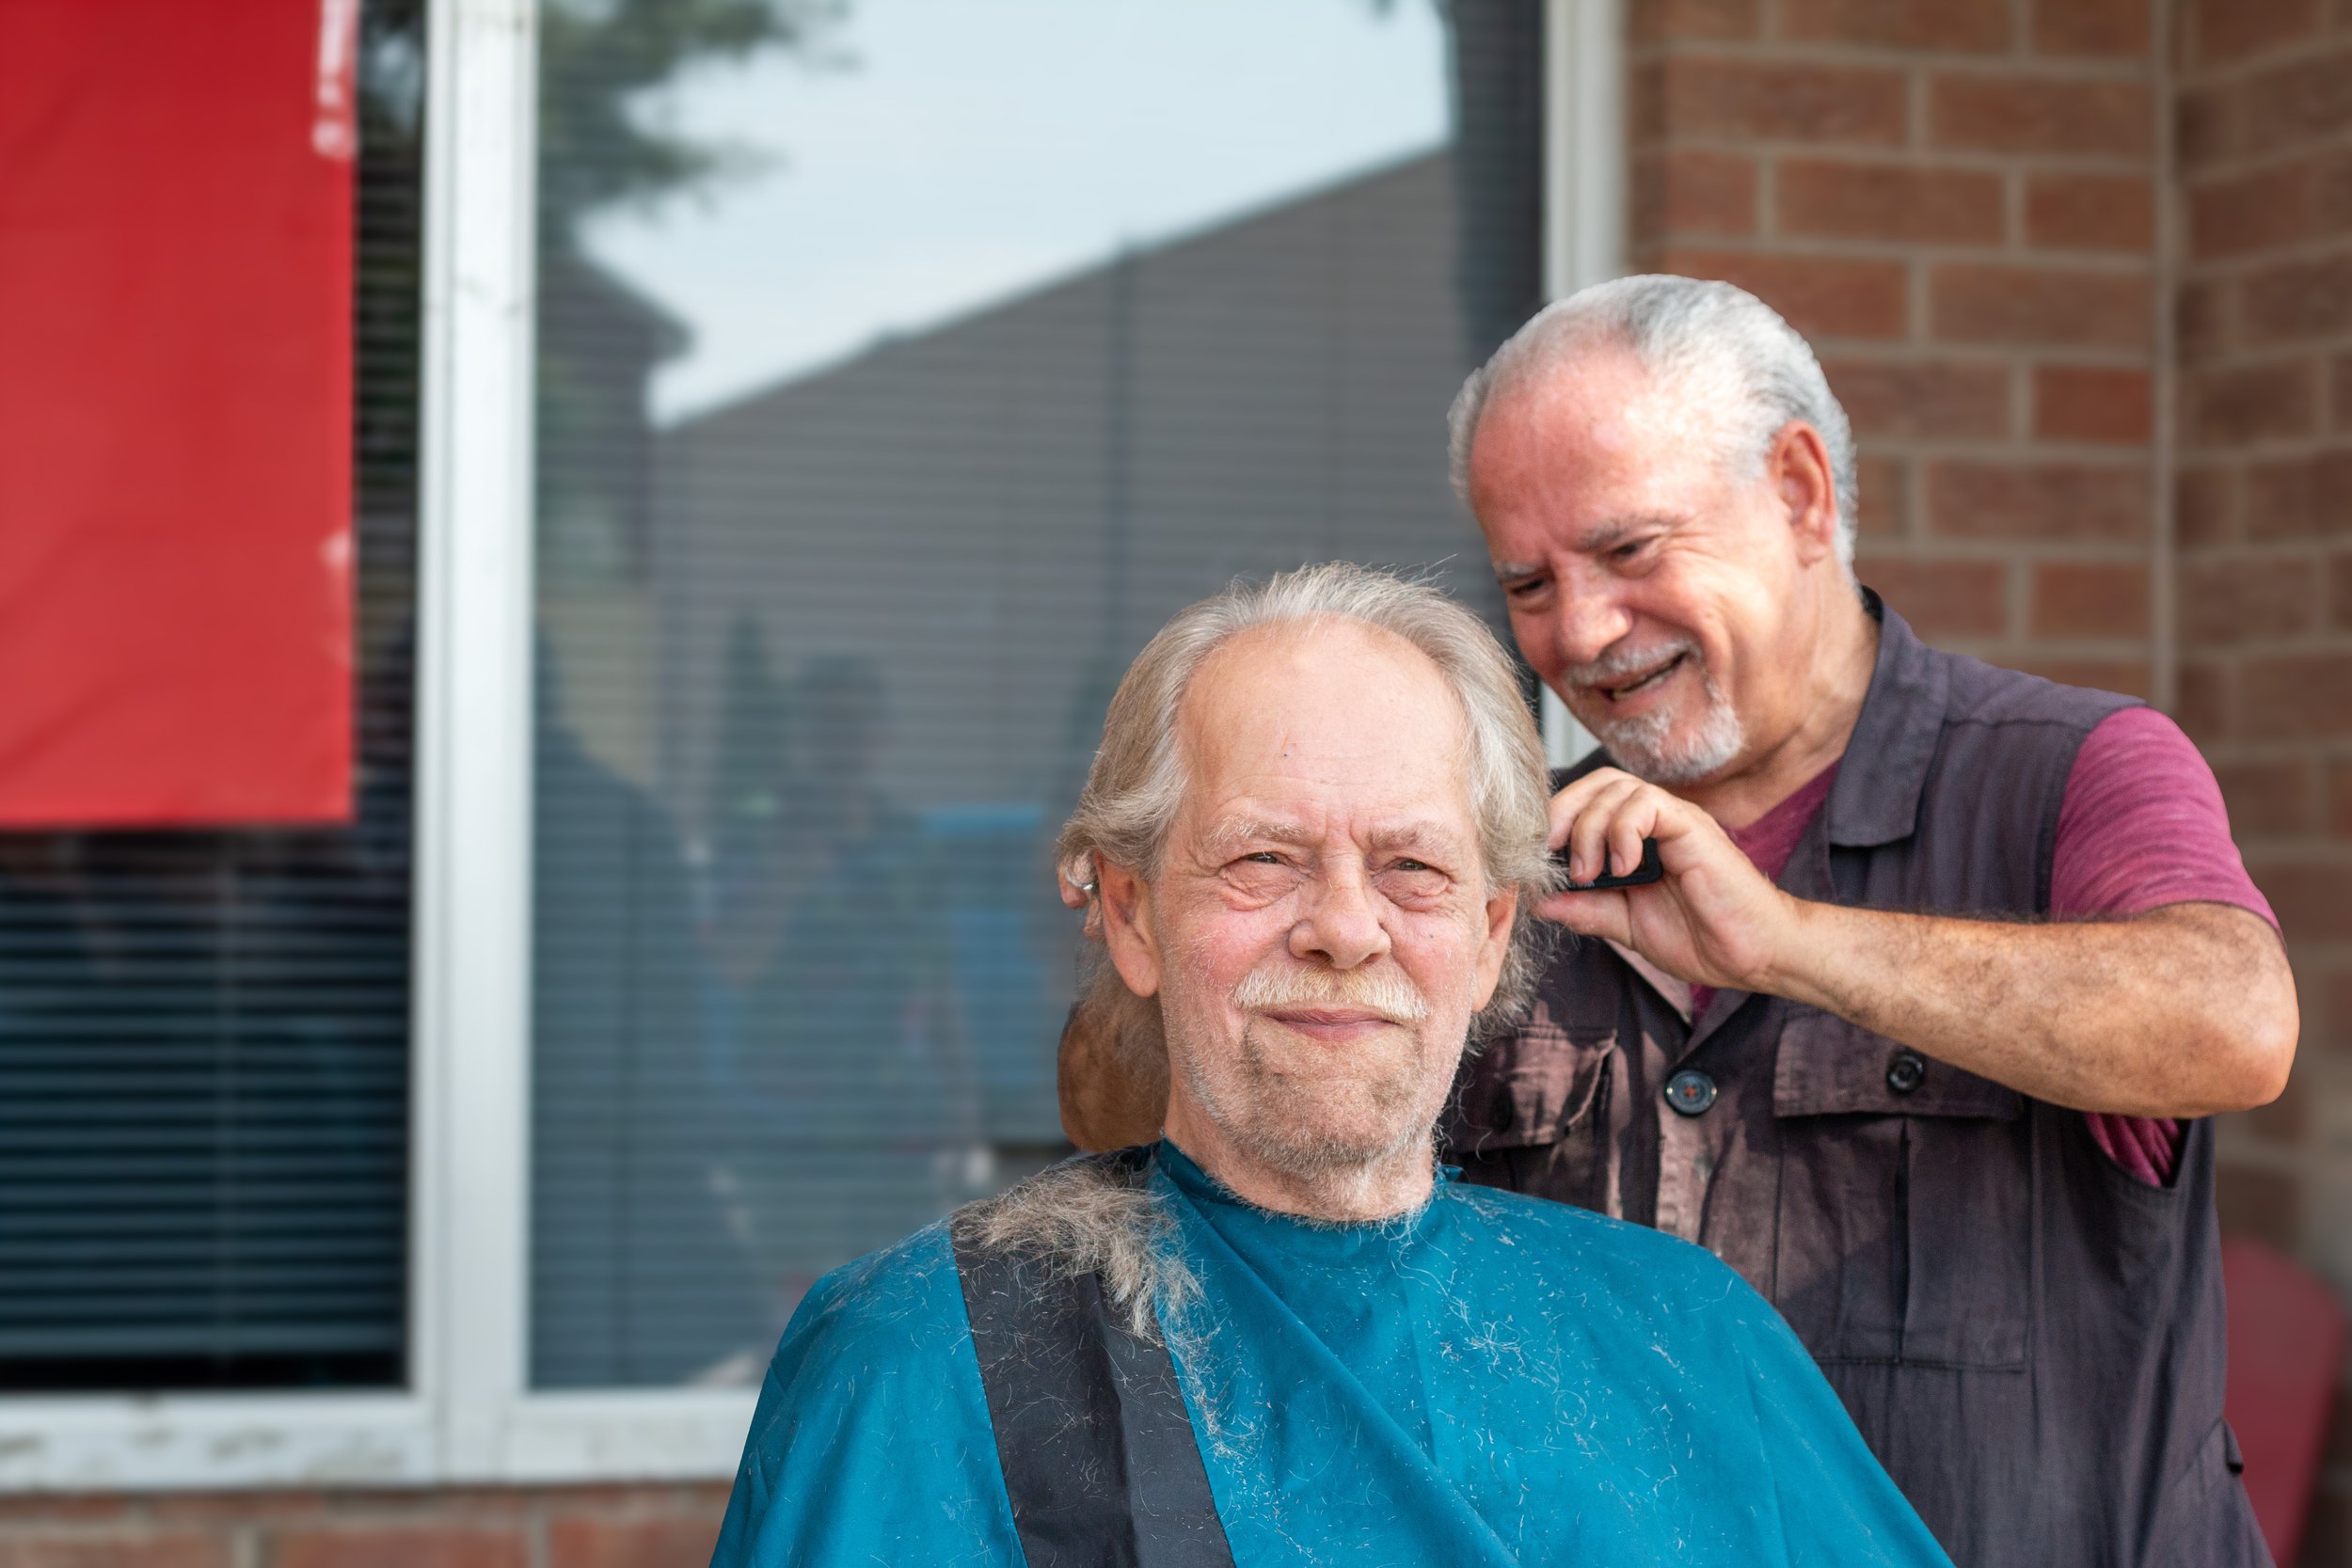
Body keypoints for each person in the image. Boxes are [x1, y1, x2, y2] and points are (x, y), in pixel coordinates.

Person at [1059, 278, 2297, 1568]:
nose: (1581, 631)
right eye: (1529, 582)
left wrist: (1785, 940)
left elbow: (2239, 1026)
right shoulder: (1476, 853)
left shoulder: (2067, 770)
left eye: (1630, 552)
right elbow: (1137, 1131)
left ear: (1803, 494)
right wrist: (1175, 913)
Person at [711, 564, 1950, 1568]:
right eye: (1261, 860)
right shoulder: (935, 1351)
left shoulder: (1691, 1337)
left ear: (1488, 935)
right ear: (1133, 917)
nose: (1345, 928)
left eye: (1412, 867)